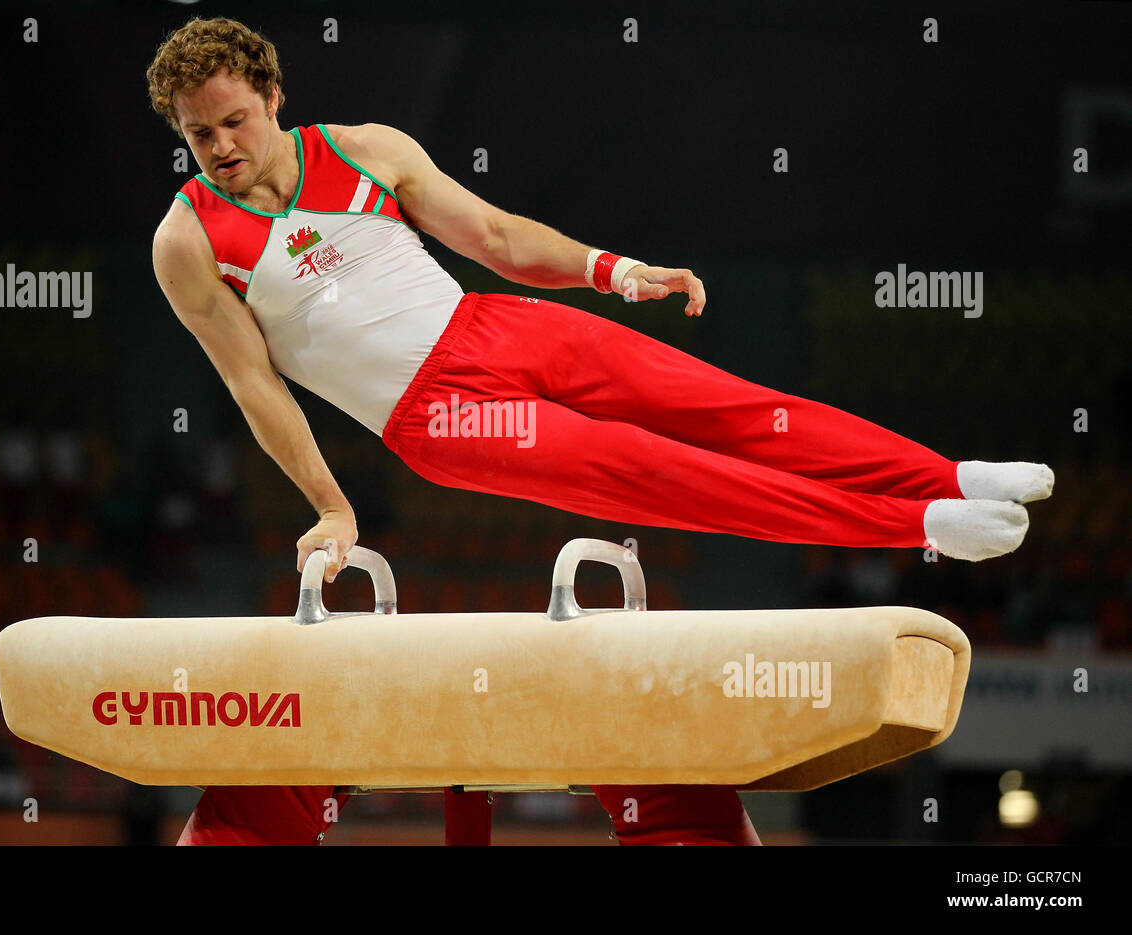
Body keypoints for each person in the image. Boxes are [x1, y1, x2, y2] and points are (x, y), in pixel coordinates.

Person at [147, 17, 1052, 846]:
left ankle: (950, 475)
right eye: (199, 134)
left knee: (730, 406)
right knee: (668, 474)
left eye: (233, 121)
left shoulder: (364, 149)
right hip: (443, 414)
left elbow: (498, 235)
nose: (220, 147)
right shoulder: (188, 243)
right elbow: (252, 382)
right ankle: (919, 527)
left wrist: (613, 270)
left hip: (497, 323)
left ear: (272, 97)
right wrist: (332, 506)